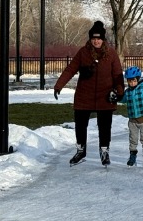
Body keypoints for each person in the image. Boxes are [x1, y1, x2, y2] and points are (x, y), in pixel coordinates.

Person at [53, 20, 124, 166]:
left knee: (105, 126)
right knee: (80, 124)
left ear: (103, 39)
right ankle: (81, 151)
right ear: (90, 39)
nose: (96, 41)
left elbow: (117, 73)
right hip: (84, 95)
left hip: (105, 95)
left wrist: (120, 91)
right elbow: (70, 69)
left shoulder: (111, 54)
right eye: (93, 39)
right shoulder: (83, 52)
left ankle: (104, 151)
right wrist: (59, 85)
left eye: (99, 39)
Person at [118, 66, 143, 167]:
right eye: (129, 81)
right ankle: (132, 155)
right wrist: (116, 97)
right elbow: (122, 99)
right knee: (133, 139)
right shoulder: (128, 92)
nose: (132, 83)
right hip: (132, 120)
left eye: (134, 80)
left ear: (138, 79)